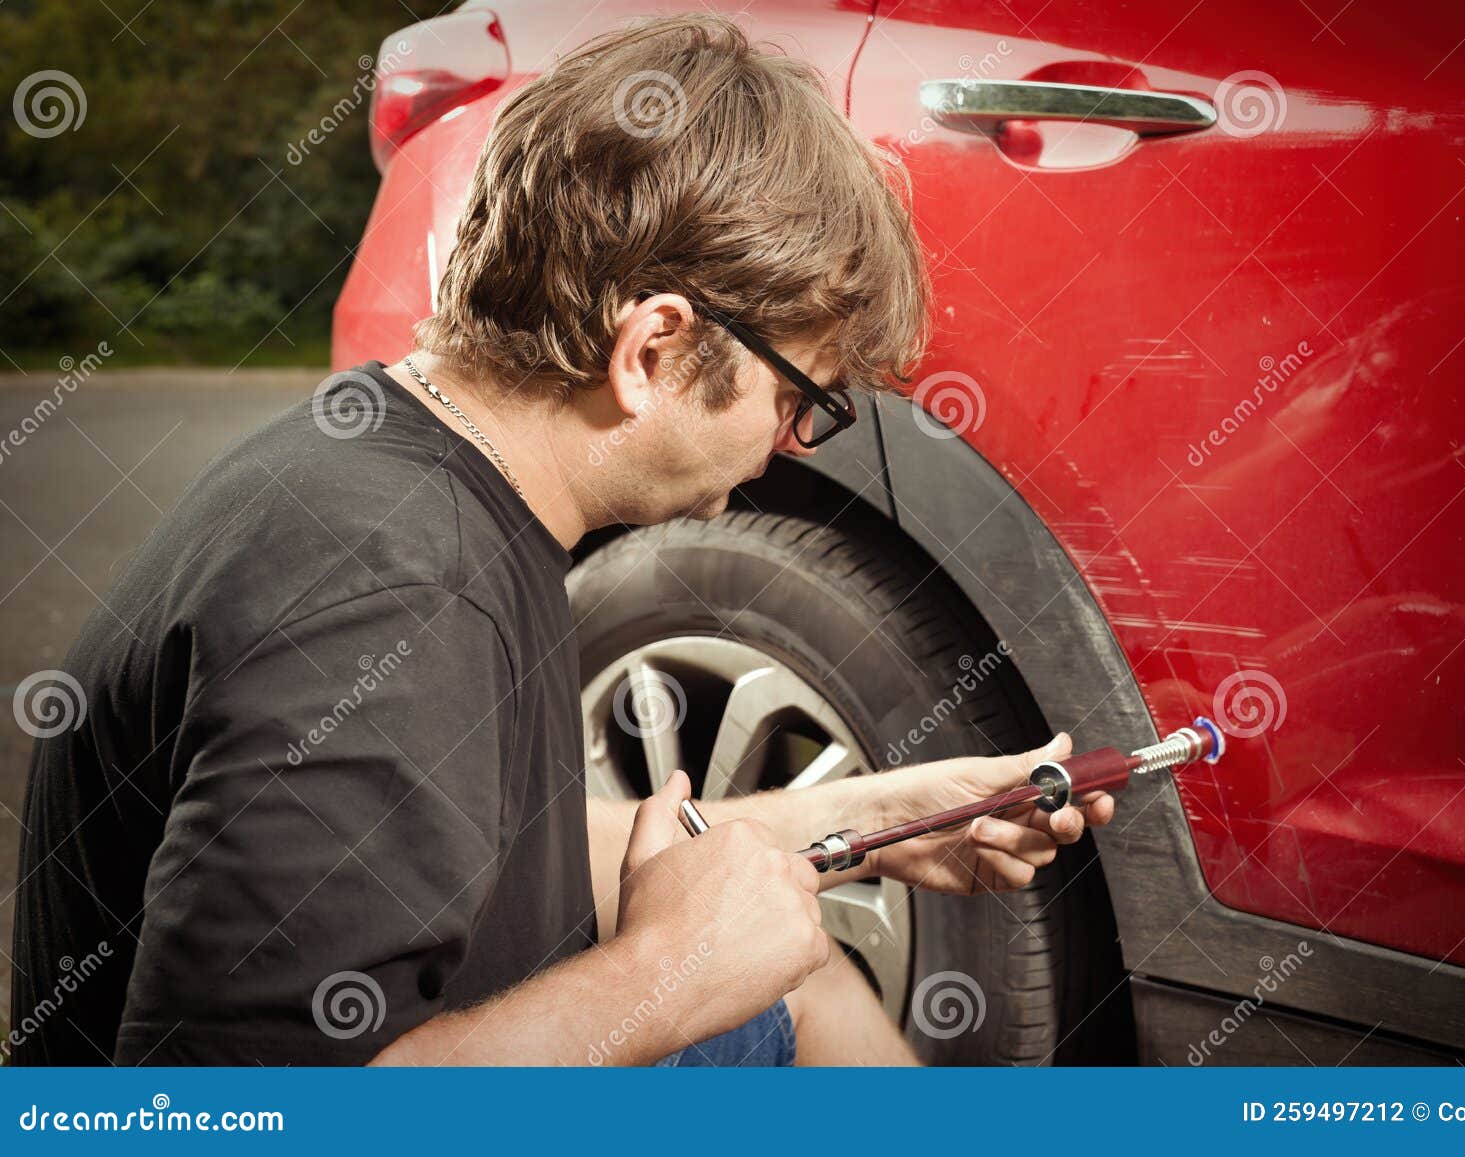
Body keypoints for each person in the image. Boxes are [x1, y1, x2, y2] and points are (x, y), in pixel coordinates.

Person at [9, 13, 1112, 1067]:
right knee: (759, 984)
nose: (795, 445)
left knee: (795, 968)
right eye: (801, 397)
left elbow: (483, 855)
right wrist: (671, 971)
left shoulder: (417, 474)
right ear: (653, 348)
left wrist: (857, 820)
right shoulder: (398, 588)